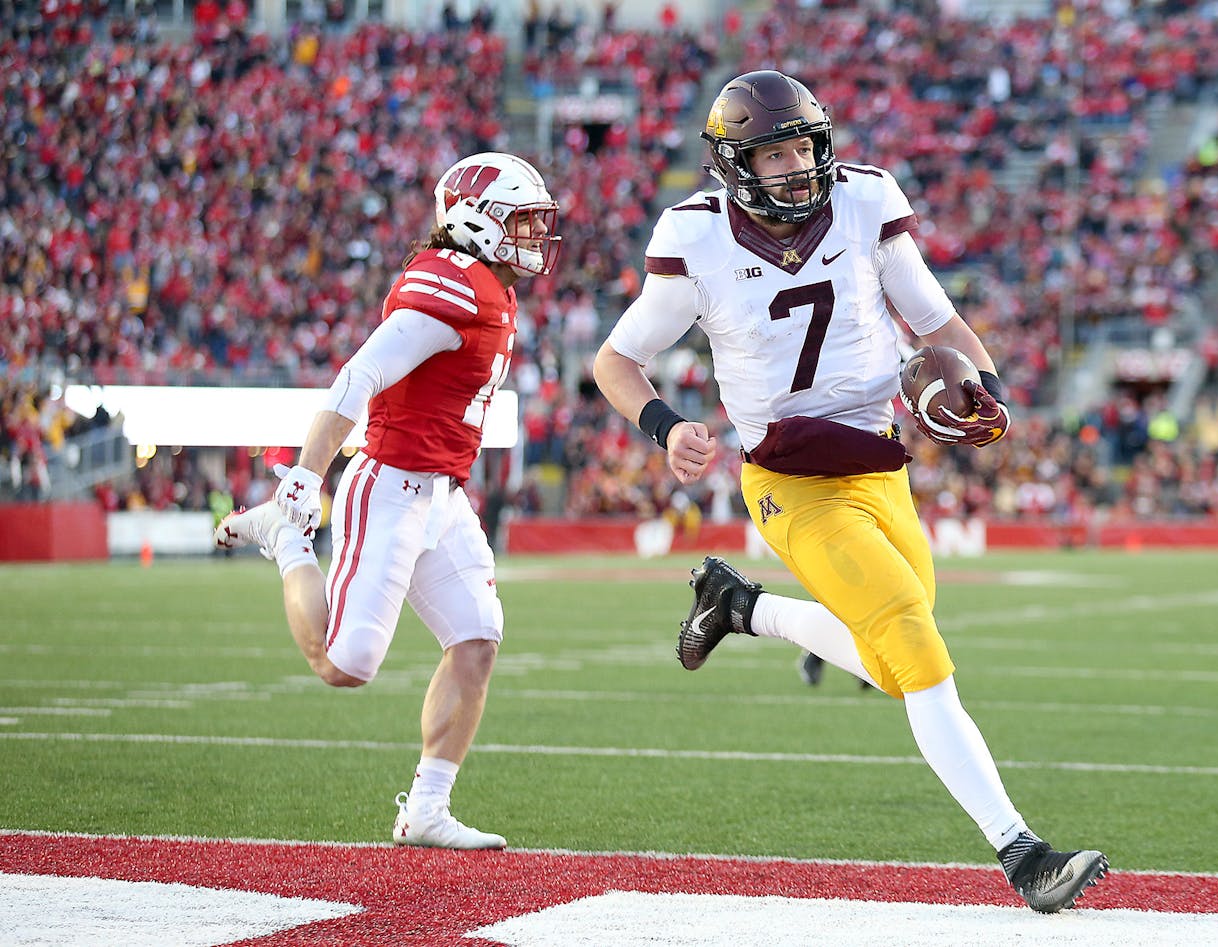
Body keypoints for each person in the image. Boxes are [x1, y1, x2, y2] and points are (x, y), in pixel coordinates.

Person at [593, 70, 1107, 913]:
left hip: (881, 462)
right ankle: (1023, 854)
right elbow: (615, 359)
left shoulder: (866, 199)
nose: (796, 166)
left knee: (898, 658)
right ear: (735, 165)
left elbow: (938, 324)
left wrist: (983, 387)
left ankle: (739, 607)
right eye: (774, 152)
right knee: (914, 644)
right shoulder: (695, 238)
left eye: (803, 145)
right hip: (794, 483)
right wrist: (664, 424)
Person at [214, 152, 562, 849]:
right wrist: (307, 476)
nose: (533, 236)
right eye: (520, 220)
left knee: (477, 637)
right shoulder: (450, 283)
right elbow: (360, 373)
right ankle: (284, 540)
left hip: (442, 493)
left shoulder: (485, 283)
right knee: (345, 665)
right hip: (390, 486)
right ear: (474, 221)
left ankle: (427, 809)